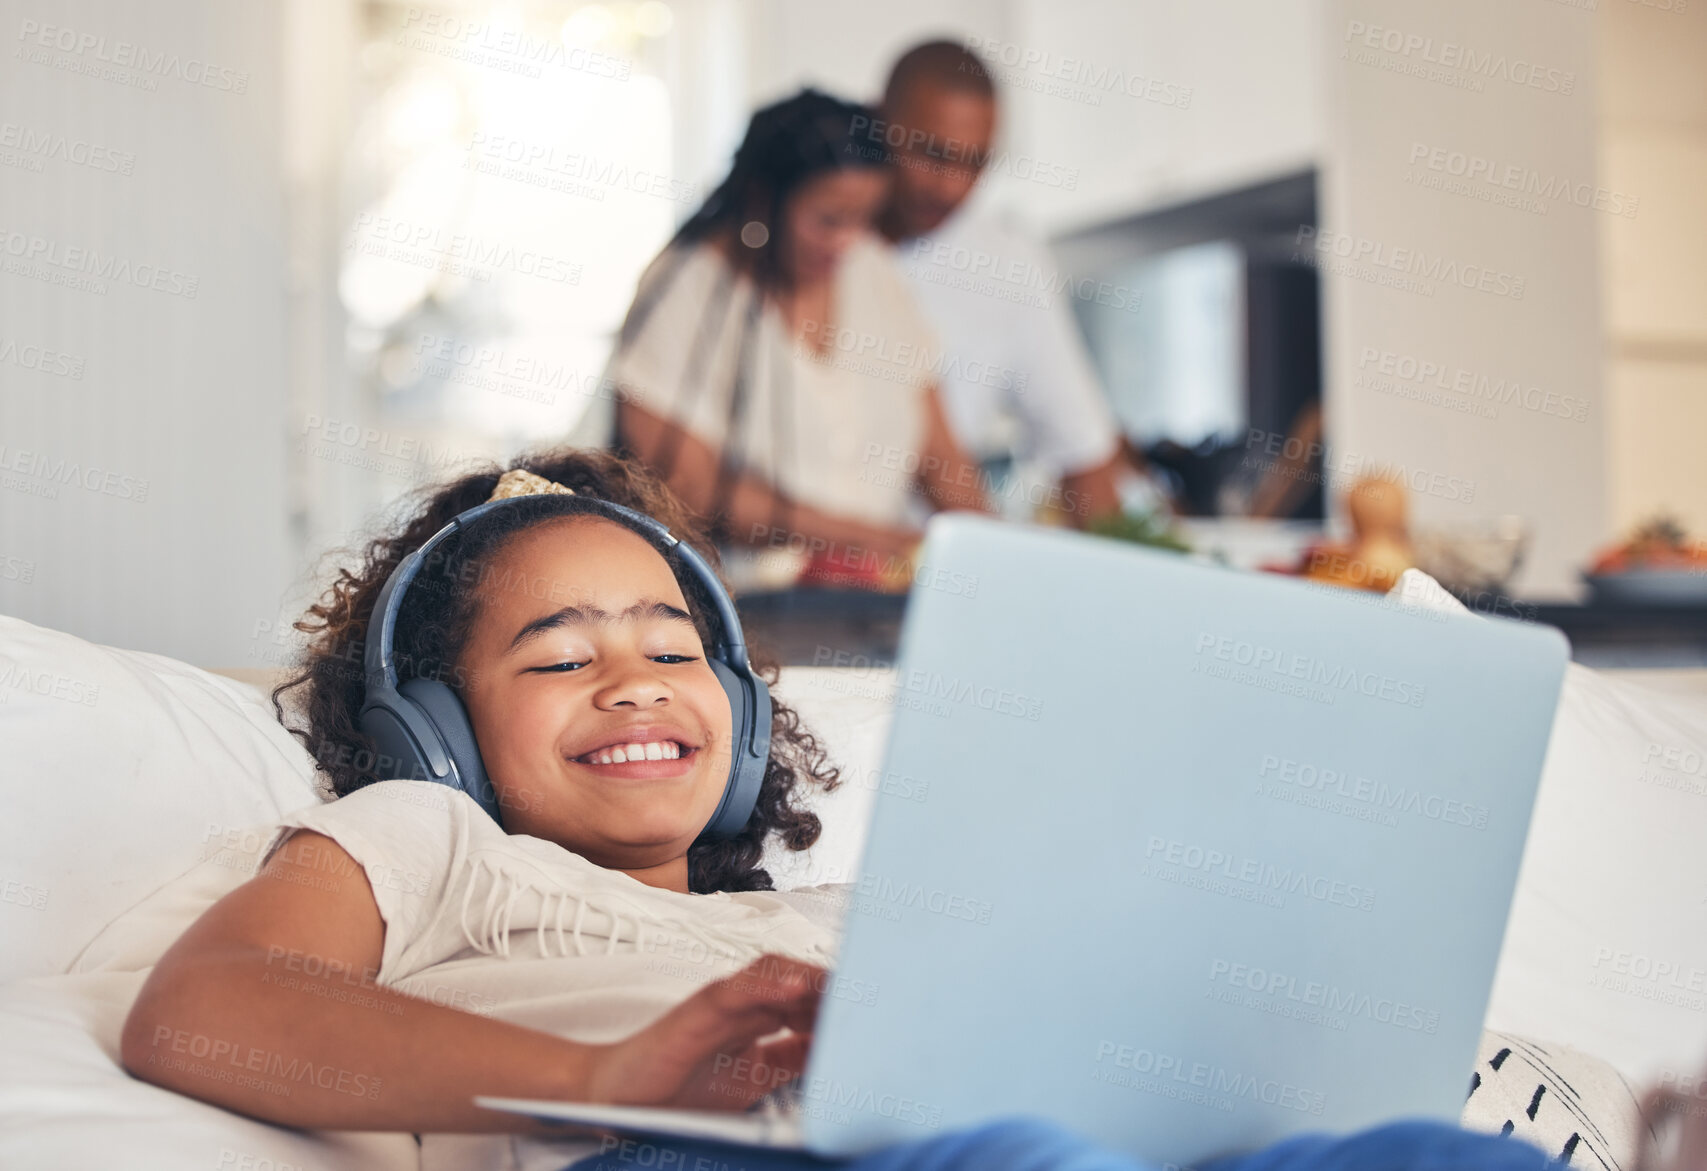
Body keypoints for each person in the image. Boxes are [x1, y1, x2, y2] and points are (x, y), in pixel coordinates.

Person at [106, 444, 1582, 1170]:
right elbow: (209, 1006)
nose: (630, 683)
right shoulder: (438, 843)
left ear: (745, 720)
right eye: (558, 656)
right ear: (435, 729)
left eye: (674, 650)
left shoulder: (853, 911)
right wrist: (618, 1075)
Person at [599, 88, 992, 586]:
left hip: (875, 599)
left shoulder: (872, 270)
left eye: (864, 219)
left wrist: (992, 553)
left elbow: (942, 462)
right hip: (744, 605)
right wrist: (869, 538)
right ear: (765, 199)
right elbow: (686, 486)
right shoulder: (688, 289)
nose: (848, 242)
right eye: (828, 220)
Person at [872, 41, 1155, 529]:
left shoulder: (1008, 265)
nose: (950, 186)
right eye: (931, 153)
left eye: (975, 162)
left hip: (922, 571)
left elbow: (1082, 453)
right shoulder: (823, 242)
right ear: (878, 121)